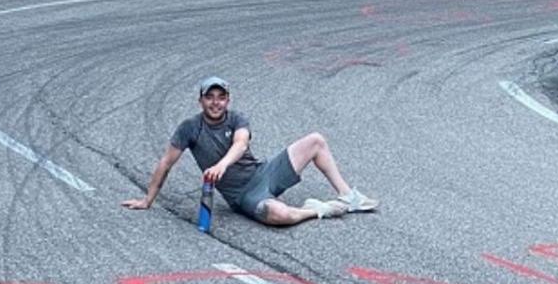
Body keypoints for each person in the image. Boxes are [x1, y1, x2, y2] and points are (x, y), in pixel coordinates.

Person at [122, 77, 377, 226]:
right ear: (200, 100)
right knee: (280, 215)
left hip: (263, 173)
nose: (215, 102)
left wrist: (222, 165)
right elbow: (165, 163)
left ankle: (347, 195)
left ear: (227, 100)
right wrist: (147, 200)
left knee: (316, 140)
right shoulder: (190, 128)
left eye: (220, 97)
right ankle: (318, 209)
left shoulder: (236, 119)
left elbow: (240, 143)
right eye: (209, 97)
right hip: (242, 196)